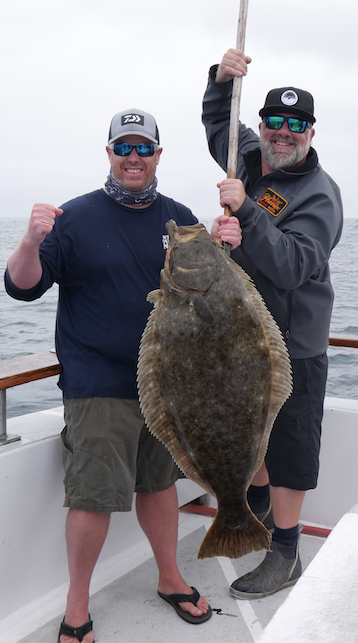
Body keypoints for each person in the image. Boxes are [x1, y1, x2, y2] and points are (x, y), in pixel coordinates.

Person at [4, 108, 241, 643]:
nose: (133, 158)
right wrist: (28, 241)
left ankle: (169, 577)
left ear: (158, 155)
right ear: (108, 153)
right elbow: (22, 287)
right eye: (123, 148)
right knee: (92, 496)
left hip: (170, 384)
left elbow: (221, 294)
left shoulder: (181, 220)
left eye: (143, 148)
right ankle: (77, 606)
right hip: (99, 384)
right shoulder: (74, 218)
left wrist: (230, 243)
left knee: (159, 487)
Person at [203, 50, 343, 600]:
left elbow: (291, 266)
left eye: (295, 126)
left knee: (288, 448)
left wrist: (248, 215)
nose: (283, 135)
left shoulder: (321, 194)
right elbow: (219, 120)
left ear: (310, 132)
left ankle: (286, 551)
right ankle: (254, 508)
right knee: (248, 433)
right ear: (262, 125)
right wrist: (218, 80)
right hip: (240, 337)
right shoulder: (249, 157)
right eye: (274, 124)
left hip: (293, 346)